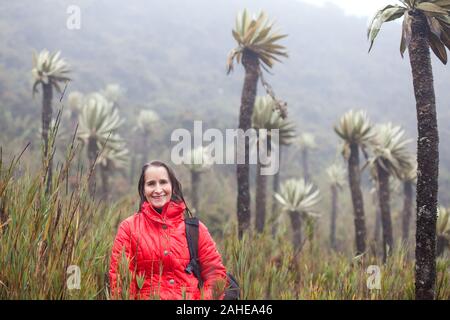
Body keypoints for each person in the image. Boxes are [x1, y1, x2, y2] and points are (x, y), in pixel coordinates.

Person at [109, 160, 227, 300]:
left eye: (163, 182)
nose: (158, 190)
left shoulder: (196, 229)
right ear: (143, 189)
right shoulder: (129, 228)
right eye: (151, 184)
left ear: (172, 186)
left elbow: (215, 275)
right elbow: (121, 282)